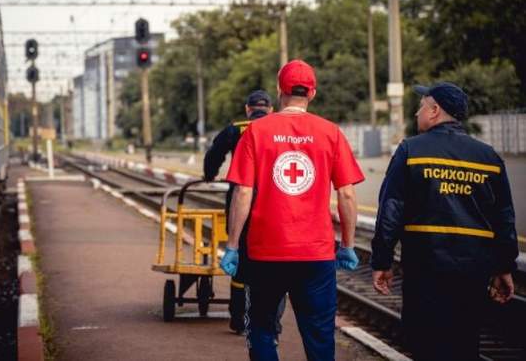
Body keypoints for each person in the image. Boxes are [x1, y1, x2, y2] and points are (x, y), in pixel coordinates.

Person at [220, 60, 364, 360]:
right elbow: (347, 195)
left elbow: (243, 192)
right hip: (316, 255)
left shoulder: (256, 132)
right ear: (312, 93)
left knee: (261, 329)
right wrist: (348, 245)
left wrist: (233, 245)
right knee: (320, 335)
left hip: (265, 253)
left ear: (279, 90)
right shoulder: (331, 133)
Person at [371, 82, 518, 361]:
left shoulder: (410, 151)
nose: (417, 113)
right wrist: (504, 267)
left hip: (425, 267)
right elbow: (504, 218)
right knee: (464, 342)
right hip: (472, 270)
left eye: (421, 106)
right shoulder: (489, 157)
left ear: (435, 110)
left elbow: (391, 210)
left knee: (424, 342)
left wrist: (382, 261)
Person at [204, 90, 276, 334]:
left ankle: (238, 319)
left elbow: (214, 153)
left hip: (239, 200)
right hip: (272, 202)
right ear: (270, 110)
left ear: (248, 109)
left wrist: (209, 174)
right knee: (270, 262)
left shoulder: (236, 129)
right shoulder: (276, 127)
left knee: (240, 261)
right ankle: (270, 322)